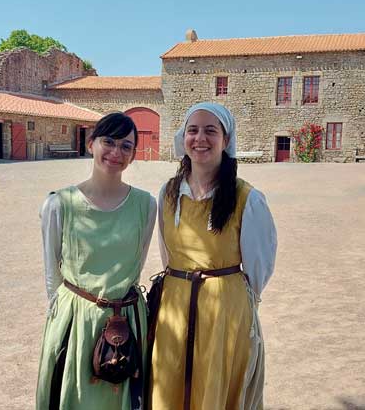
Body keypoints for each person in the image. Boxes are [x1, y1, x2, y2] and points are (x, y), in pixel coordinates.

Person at [148, 102, 277, 410]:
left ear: (225, 139)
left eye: (210, 131)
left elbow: (259, 267)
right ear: (183, 138)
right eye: (192, 130)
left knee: (215, 386)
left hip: (224, 312)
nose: (200, 138)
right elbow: (168, 255)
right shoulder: (168, 193)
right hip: (174, 306)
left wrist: (232, 301)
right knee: (169, 381)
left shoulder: (247, 198)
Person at [36, 112, 157, 410]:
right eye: (109, 142)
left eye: (126, 146)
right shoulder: (59, 204)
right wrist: (70, 317)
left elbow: (136, 262)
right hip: (76, 319)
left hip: (127, 319)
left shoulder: (146, 204)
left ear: (133, 154)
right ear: (91, 144)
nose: (116, 152)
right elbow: (52, 274)